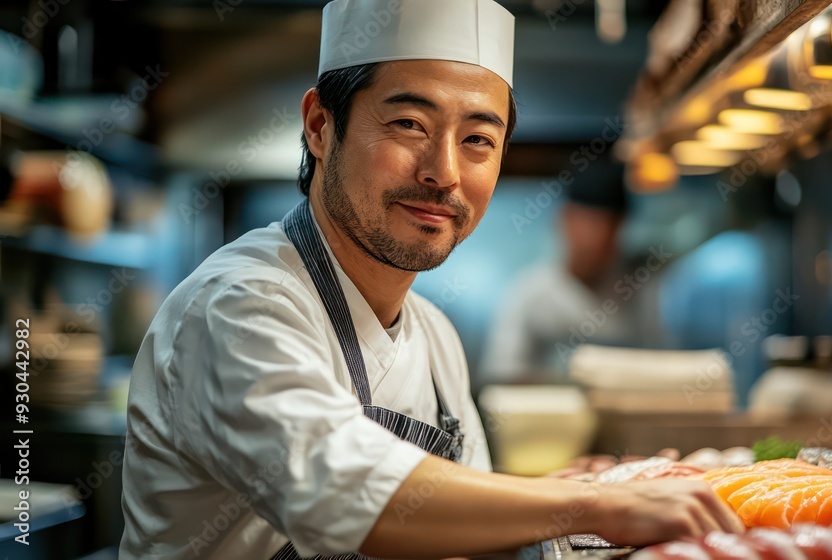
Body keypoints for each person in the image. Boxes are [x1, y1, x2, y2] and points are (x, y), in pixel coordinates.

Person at [119, 1, 741, 558]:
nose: (443, 172)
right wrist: (593, 508)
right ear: (319, 124)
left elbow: (450, 537)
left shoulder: (436, 339)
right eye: (409, 125)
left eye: (477, 139)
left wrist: (550, 498)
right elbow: (340, 495)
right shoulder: (237, 304)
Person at [481, 162, 663, 383]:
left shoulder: (642, 291)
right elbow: (501, 376)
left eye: (609, 226)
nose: (597, 239)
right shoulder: (530, 294)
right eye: (589, 224)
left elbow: (662, 366)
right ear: (565, 220)